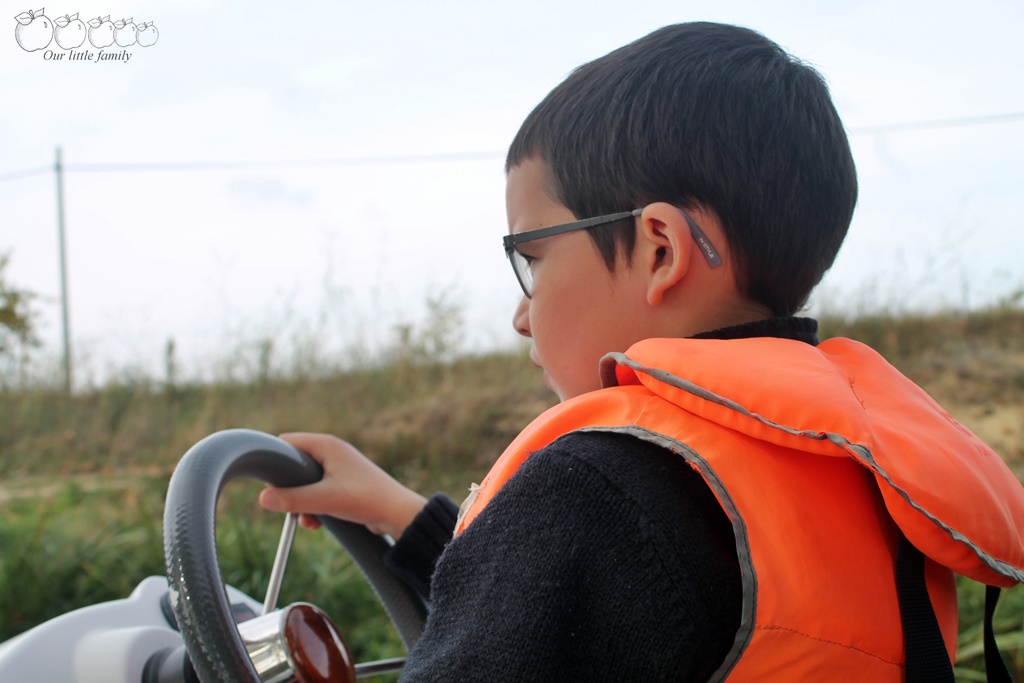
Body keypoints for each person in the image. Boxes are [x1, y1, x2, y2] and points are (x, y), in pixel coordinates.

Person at [260, 22, 1024, 681]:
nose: (522, 314)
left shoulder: (595, 490)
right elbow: (598, 620)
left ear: (659, 249)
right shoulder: (853, 475)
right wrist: (395, 512)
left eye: (532, 258)